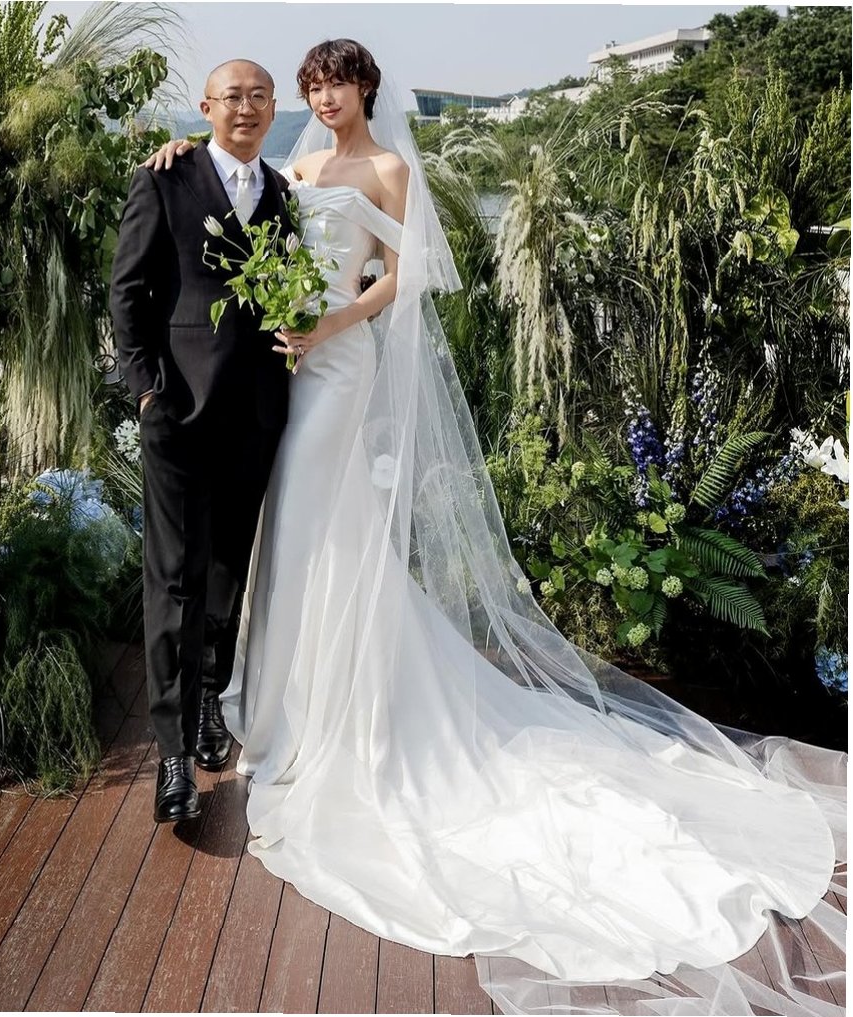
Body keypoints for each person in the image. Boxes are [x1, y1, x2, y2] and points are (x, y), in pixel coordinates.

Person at [145, 40, 845, 1015]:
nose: (321, 97)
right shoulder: (292, 167)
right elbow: (239, 202)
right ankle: (284, 701)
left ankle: (337, 715)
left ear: (364, 89)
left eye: (333, 84)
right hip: (285, 372)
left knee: (317, 522)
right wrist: (181, 149)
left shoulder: (390, 169)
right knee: (294, 538)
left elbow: (404, 276)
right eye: (310, 86)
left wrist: (329, 326)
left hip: (336, 368)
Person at [110, 60, 293, 824]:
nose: (245, 108)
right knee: (175, 580)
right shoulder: (165, 177)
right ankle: (173, 754)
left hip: (257, 415)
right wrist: (146, 388)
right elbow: (126, 290)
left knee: (226, 573)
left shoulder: (282, 194)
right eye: (232, 97)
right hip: (178, 413)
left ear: (273, 108)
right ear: (207, 106)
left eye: (258, 97)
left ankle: (212, 702)